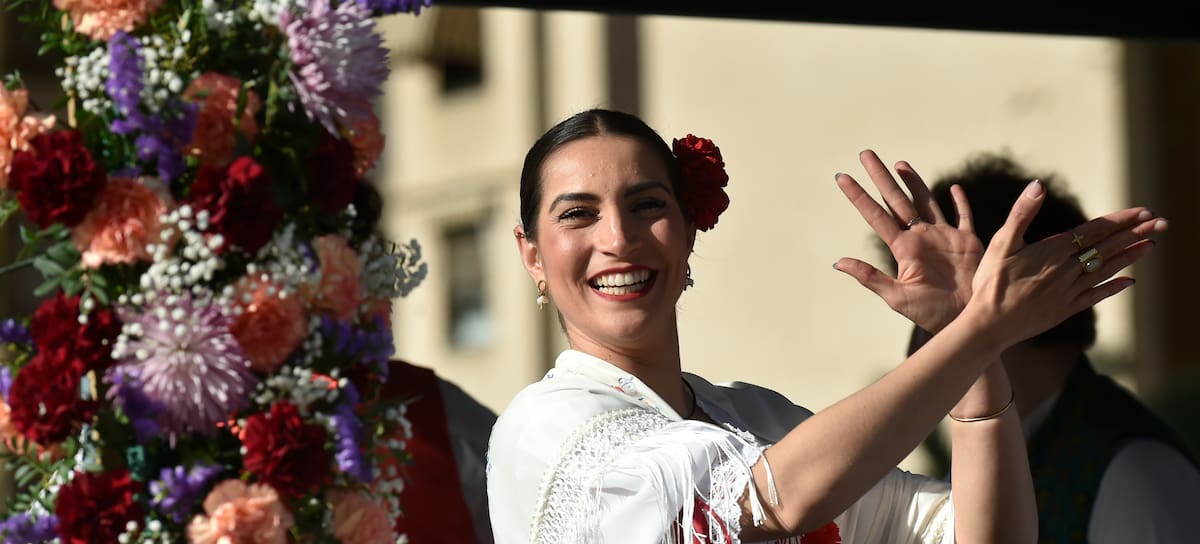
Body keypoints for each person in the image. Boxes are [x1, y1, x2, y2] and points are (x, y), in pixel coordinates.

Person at [485, 108, 1166, 543]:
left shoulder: (757, 419)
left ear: (689, 231)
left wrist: (971, 347)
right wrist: (979, 334)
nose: (619, 238)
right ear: (531, 255)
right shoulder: (542, 428)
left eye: (646, 205)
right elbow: (765, 504)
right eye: (578, 214)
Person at [896, 153, 1200, 544]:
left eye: (937, 311)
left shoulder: (1136, 473)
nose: (916, 347)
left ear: (1025, 293)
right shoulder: (982, 453)